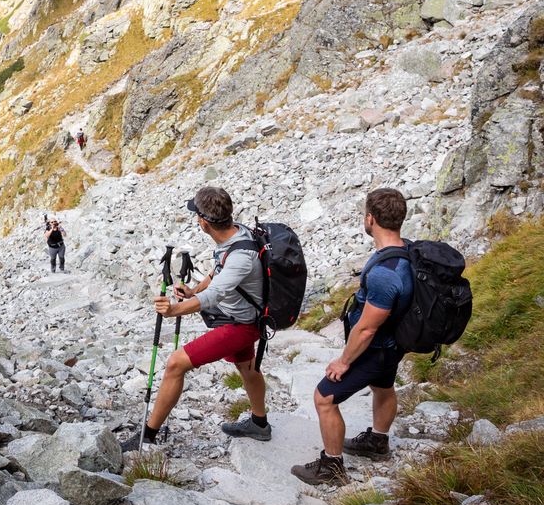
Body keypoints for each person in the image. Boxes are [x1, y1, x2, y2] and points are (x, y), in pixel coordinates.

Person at [122, 186, 271, 451]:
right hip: (245, 317)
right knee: (247, 369)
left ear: (203, 223)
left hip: (241, 325)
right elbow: (218, 274)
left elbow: (215, 294)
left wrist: (173, 310)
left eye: (197, 216)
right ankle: (260, 424)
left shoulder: (240, 257)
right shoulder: (237, 234)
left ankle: (148, 434)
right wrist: (193, 290)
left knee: (176, 363)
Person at [292, 188, 413, 486]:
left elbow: (368, 328)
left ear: (370, 219)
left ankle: (332, 467)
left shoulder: (386, 273)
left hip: (375, 347)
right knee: (383, 386)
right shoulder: (406, 250)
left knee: (324, 397)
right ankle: (377, 442)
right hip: (394, 344)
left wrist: (344, 361)